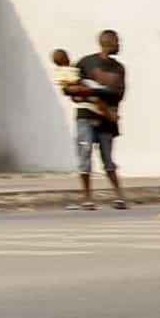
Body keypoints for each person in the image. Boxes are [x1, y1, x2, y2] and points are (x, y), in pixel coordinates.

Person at [67, 30, 128, 210]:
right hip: (86, 116)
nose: (119, 45)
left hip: (106, 118)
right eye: (116, 41)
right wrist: (85, 93)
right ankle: (87, 198)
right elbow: (71, 88)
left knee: (108, 158)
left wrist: (91, 92)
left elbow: (117, 93)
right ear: (106, 43)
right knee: (84, 155)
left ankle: (118, 196)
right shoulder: (86, 63)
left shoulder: (119, 68)